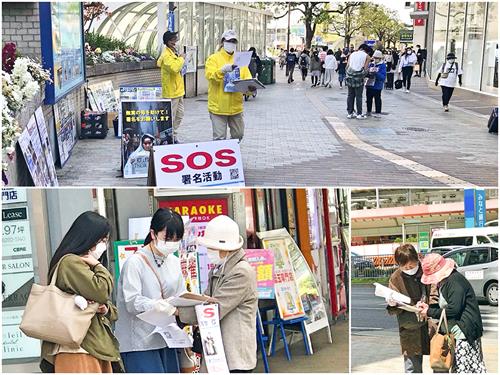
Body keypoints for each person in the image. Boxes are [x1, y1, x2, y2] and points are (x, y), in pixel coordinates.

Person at [40, 211, 121, 373]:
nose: (103, 246)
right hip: (78, 347)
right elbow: (101, 291)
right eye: (102, 240)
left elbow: (109, 308)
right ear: (88, 237)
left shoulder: (80, 264)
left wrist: (104, 308)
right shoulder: (71, 263)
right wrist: (98, 267)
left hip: (89, 345)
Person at [178, 215, 258, 373]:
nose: (209, 252)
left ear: (226, 249)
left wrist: (178, 312)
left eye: (212, 248)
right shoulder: (218, 269)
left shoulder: (241, 272)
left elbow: (214, 309)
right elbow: (205, 301)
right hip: (217, 354)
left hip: (234, 356)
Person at [115, 208, 188, 373]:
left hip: (167, 338)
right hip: (139, 342)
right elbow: (132, 302)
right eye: (167, 238)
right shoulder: (135, 263)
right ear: (153, 234)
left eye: (177, 239)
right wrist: (160, 306)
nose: (172, 243)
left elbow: (181, 294)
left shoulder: (174, 262)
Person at [418, 253, 487, 373]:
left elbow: (454, 310)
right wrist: (428, 307)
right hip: (457, 333)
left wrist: (429, 311)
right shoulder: (447, 281)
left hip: (464, 334)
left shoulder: (454, 281)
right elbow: (445, 306)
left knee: (465, 369)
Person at [385, 245, 438, 374]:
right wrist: (392, 304)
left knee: (440, 362)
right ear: (398, 265)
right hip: (409, 327)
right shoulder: (396, 278)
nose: (409, 269)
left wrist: (428, 306)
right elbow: (394, 309)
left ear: (417, 259)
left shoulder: (427, 270)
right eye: (405, 267)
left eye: (412, 266)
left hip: (432, 324)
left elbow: (435, 294)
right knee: (412, 368)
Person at [205, 30, 254, 142]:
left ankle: (232, 153)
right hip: (218, 107)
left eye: (234, 41)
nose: (231, 43)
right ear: (222, 42)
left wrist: (250, 89)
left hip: (236, 107)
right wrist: (222, 71)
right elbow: (210, 76)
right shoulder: (213, 59)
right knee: (219, 139)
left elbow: (247, 79)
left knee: (239, 135)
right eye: (229, 40)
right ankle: (221, 158)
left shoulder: (240, 59)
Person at [157, 31, 185, 144]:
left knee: (179, 115)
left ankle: (173, 134)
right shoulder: (166, 56)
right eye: (173, 40)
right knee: (171, 117)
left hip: (178, 91)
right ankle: (168, 137)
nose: (176, 42)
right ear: (168, 42)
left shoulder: (173, 52)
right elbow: (174, 68)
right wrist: (182, 59)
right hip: (171, 92)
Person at [346, 44, 371, 119]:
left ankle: (350, 113)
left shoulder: (352, 54)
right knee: (359, 96)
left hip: (350, 76)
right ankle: (359, 114)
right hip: (359, 78)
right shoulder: (367, 56)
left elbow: (347, 66)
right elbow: (366, 69)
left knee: (350, 95)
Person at [365, 50, 387, 116]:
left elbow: (383, 77)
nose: (375, 59)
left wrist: (376, 73)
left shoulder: (382, 65)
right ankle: (368, 111)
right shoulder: (371, 64)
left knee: (377, 99)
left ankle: (378, 112)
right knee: (368, 99)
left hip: (377, 85)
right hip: (369, 84)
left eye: (377, 58)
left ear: (380, 58)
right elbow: (367, 71)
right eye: (375, 58)